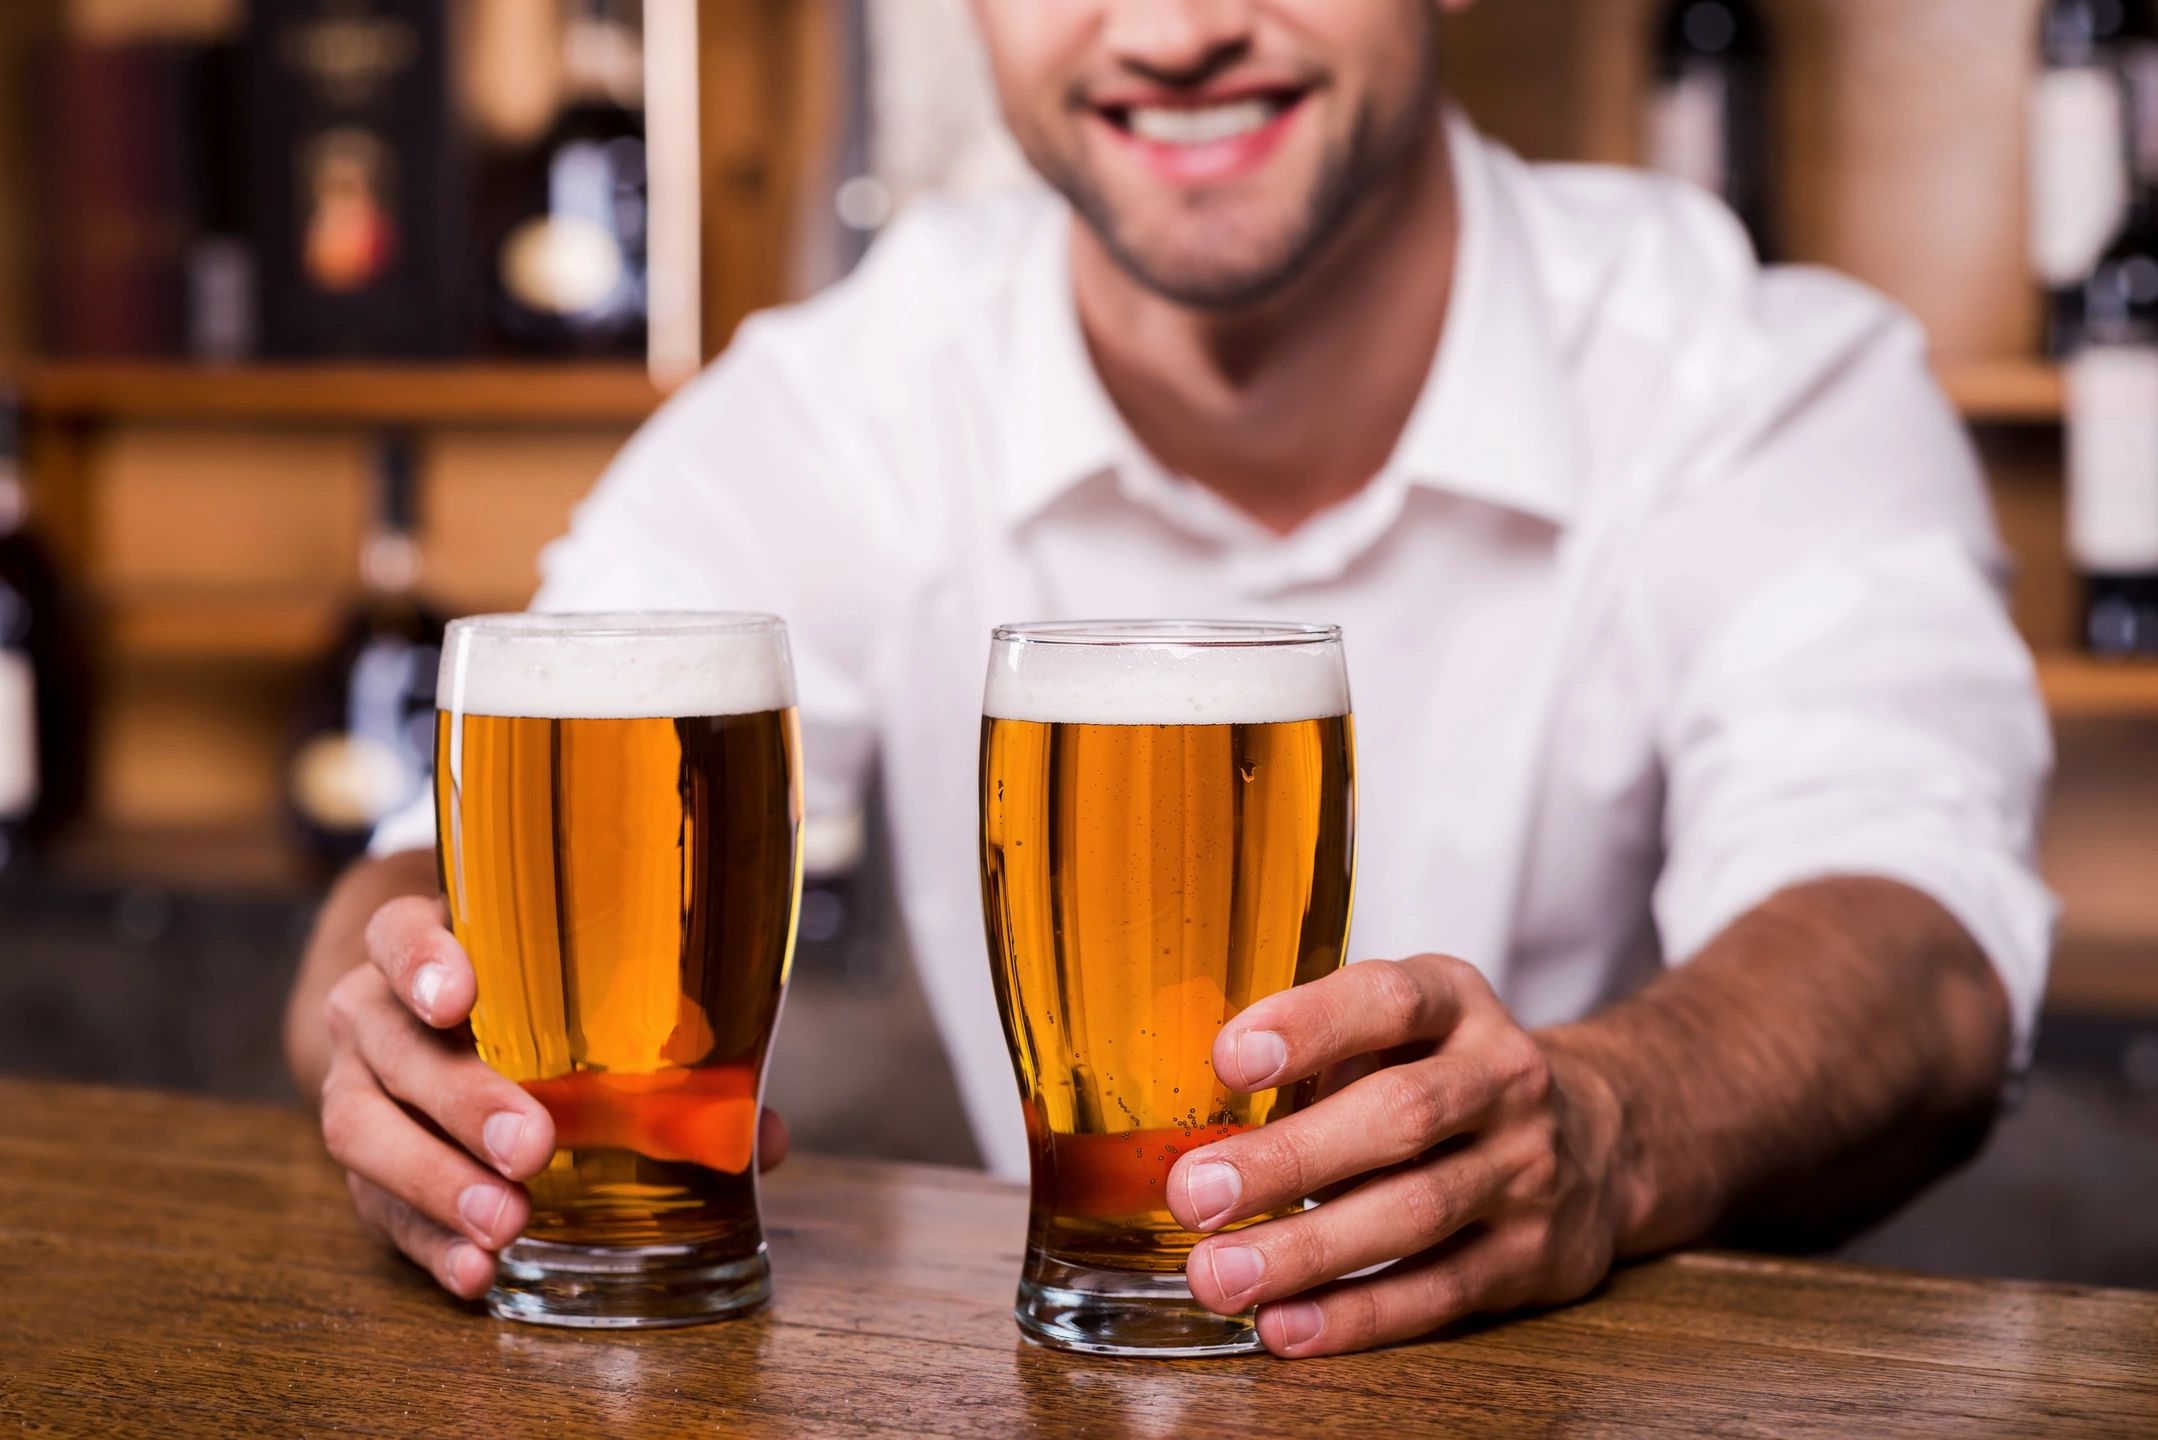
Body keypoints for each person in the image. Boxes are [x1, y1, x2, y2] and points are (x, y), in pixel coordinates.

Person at [285, 0, 2053, 1359]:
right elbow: (424, 862)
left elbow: (1916, 940)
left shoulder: (1753, 373)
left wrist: (1608, 1122)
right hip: (1095, 1382)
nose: (1171, 27)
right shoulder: (859, 383)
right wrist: (391, 1033)